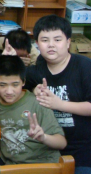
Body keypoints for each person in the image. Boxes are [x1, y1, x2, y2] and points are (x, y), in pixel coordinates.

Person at [25, 15, 91, 173]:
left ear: (68, 42)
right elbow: (12, 84)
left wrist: (59, 104)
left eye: (57, 39)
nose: (51, 45)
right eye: (45, 40)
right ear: (37, 44)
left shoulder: (84, 66)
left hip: (82, 150)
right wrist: (33, 90)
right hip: (45, 148)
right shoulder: (35, 71)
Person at [0, 55, 67, 165]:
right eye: (2, 85)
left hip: (45, 166)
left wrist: (43, 137)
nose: (9, 91)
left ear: (23, 82)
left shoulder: (37, 103)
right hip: (12, 168)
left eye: (15, 84)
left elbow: (61, 142)